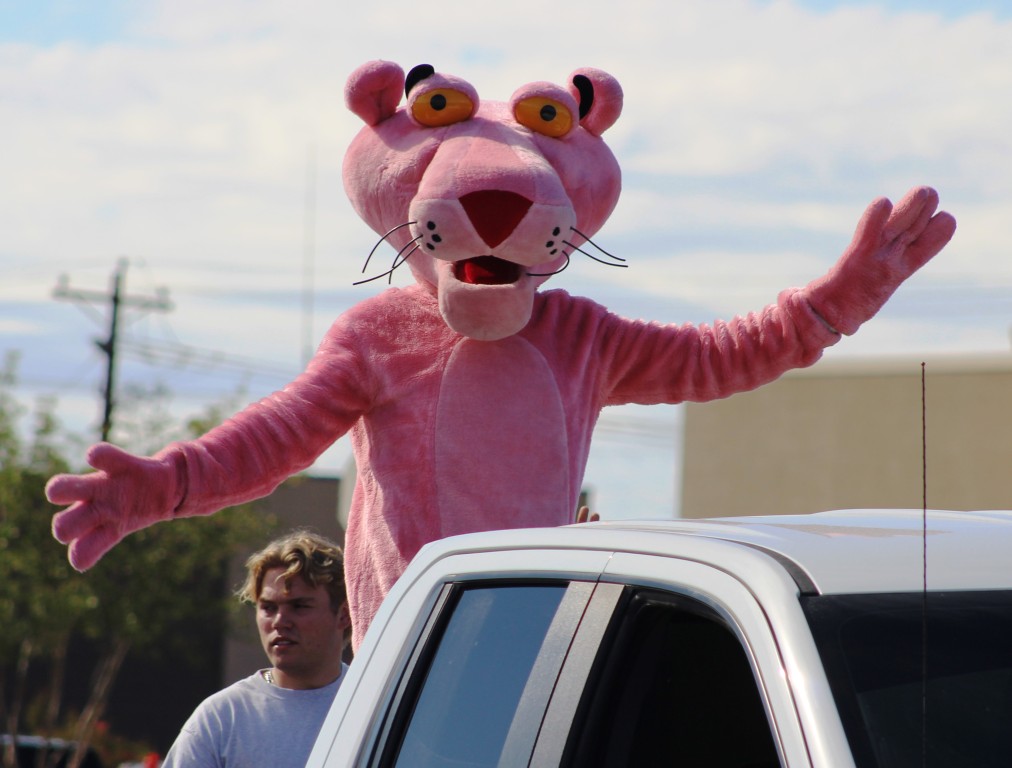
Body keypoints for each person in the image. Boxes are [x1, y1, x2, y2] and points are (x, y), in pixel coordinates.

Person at [162, 530, 351, 768]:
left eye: (299, 606)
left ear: (343, 615)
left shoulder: (375, 703)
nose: (280, 621)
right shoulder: (221, 718)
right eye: (268, 608)